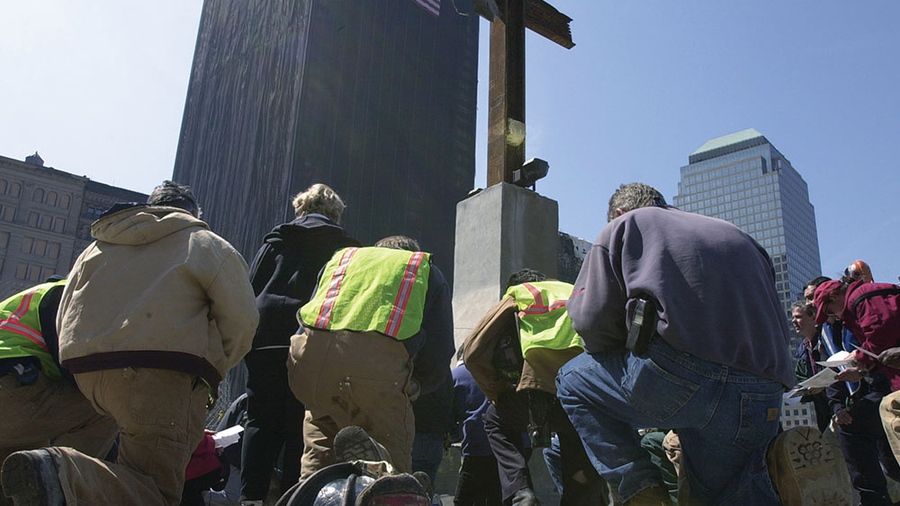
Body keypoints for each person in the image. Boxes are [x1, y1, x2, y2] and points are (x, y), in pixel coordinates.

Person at [555, 182, 839, 506]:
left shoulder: (625, 224)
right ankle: (780, 483)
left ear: (618, 213)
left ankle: (642, 491)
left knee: (572, 380)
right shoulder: (740, 236)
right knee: (726, 494)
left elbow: (590, 323)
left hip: (677, 376)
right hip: (763, 390)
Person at [1, 181, 259, 506]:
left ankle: (58, 477)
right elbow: (243, 320)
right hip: (163, 373)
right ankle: (65, 473)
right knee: (157, 491)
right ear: (193, 213)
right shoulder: (206, 244)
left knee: (98, 424)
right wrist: (208, 372)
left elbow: (66, 312)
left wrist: (83, 364)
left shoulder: (96, 248)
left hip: (90, 376)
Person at [288, 235, 454, 477]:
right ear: (411, 253)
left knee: (319, 447)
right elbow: (440, 349)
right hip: (378, 374)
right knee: (391, 463)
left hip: (309, 365)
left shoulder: (342, 260)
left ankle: (313, 490)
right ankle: (381, 476)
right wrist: (418, 384)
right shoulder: (421, 268)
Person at [241, 184, 359, 506]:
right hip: (313, 340)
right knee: (302, 423)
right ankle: (293, 497)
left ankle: (251, 497)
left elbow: (250, 288)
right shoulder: (345, 249)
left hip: (265, 340)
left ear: (301, 209)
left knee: (260, 420)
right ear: (335, 213)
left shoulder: (275, 241)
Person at [463, 269, 600, 506]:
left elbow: (472, 351)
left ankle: (520, 491)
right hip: (587, 392)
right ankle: (582, 489)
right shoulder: (577, 291)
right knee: (578, 443)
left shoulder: (520, 294)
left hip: (535, 393)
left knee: (494, 420)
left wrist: (497, 392)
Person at [0, 279, 118, 506]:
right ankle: (64, 487)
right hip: (10, 392)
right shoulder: (69, 297)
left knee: (17, 468)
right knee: (105, 404)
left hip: (14, 397)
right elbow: (76, 367)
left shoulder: (28, 300)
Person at [806, 276, 899, 506]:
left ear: (836, 296)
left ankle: (874, 499)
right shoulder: (856, 306)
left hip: (887, 389)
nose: (833, 317)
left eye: (829, 309)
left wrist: (858, 359)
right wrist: (861, 368)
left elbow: (880, 335)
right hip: (888, 386)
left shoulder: (862, 299)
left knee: (857, 427)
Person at [452, 363, 503, 506]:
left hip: (476, 444)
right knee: (497, 496)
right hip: (512, 444)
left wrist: (454, 434)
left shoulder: (456, 375)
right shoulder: (504, 368)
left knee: (464, 499)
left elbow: (448, 413)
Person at [791, 300, 833, 433]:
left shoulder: (828, 340)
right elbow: (801, 378)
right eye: (793, 317)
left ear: (813, 317)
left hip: (842, 404)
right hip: (823, 409)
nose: (794, 321)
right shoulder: (803, 349)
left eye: (798, 317)